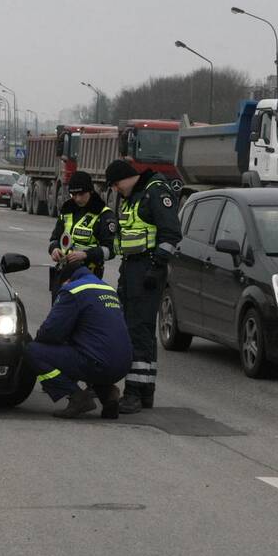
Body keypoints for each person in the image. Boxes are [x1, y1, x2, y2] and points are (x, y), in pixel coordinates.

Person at [104, 158, 182, 415]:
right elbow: (126, 238)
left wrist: (156, 266)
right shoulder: (135, 197)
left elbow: (171, 233)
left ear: (126, 178)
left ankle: (134, 393)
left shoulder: (155, 192)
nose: (116, 189)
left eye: (116, 184)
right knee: (139, 331)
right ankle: (145, 390)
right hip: (132, 269)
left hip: (147, 270)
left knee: (138, 331)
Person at [26, 259, 133, 419]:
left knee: (32, 351)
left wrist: (45, 340)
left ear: (67, 279)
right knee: (91, 348)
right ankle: (109, 394)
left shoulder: (72, 290)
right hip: (123, 365)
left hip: (98, 362)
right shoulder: (107, 289)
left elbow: (50, 332)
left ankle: (77, 397)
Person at [47, 170, 117, 297]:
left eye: (81, 194)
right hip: (63, 271)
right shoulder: (67, 209)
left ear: (90, 191)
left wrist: (85, 254)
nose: (77, 198)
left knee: (83, 314)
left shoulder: (104, 214)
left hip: (89, 274)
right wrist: (54, 249)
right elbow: (54, 238)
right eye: (73, 194)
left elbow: (111, 250)